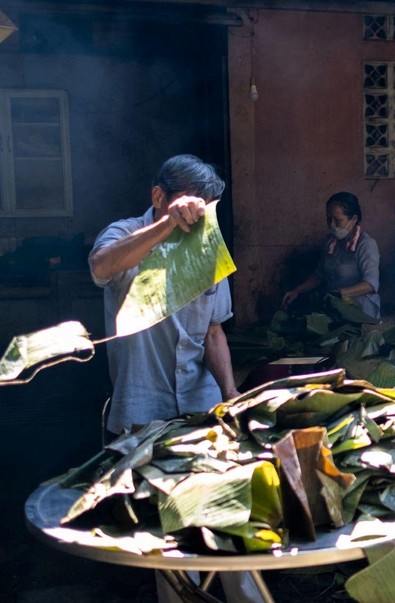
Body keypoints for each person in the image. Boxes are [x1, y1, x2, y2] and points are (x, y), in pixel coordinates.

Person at [89, 154, 260, 603]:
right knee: (167, 530)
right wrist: (167, 225)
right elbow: (101, 267)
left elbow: (213, 331)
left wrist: (231, 393)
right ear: (158, 197)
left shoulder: (208, 247)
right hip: (142, 408)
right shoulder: (125, 232)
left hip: (201, 404)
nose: (196, 220)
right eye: (188, 207)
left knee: (225, 514)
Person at [281, 191, 381, 320]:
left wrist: (340, 293)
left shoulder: (366, 245)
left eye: (337, 220)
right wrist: (297, 291)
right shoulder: (332, 242)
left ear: (353, 219)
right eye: (329, 219)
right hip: (337, 309)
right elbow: (320, 275)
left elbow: (370, 285)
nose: (332, 225)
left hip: (361, 313)